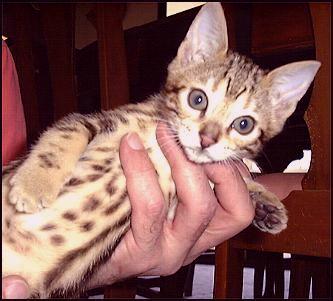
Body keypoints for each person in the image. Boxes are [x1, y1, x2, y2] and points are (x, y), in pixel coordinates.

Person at [2, 40, 303, 299]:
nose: (209, 136)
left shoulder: (206, 170)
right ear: (187, 60)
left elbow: (187, 199)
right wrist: (44, 172)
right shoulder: (145, 120)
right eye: (198, 100)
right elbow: (81, 127)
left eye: (242, 124)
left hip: (33, 275)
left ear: (278, 113)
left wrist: (248, 190)